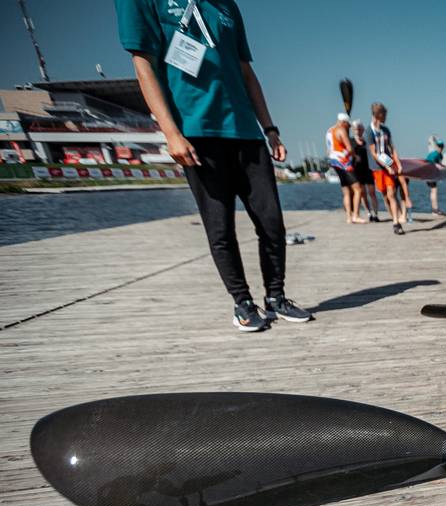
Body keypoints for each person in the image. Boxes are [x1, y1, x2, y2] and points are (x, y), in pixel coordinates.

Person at [115, 0, 313, 332]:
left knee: (272, 223)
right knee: (220, 229)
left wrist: (270, 128)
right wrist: (171, 133)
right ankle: (242, 303)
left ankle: (276, 298)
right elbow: (143, 63)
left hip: (246, 133)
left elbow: (245, 71)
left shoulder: (225, 5)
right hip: (197, 132)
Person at [368, 102, 405, 234]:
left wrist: (397, 164)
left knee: (392, 193)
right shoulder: (369, 131)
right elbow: (374, 153)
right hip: (377, 167)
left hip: (388, 164)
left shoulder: (386, 130)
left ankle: (396, 223)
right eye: (385, 114)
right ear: (378, 115)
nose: (386, 117)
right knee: (385, 195)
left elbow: (392, 148)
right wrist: (385, 166)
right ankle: (393, 217)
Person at [326, 112, 364, 223]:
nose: (348, 127)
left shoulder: (329, 131)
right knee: (358, 189)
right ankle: (355, 215)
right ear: (343, 122)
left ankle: (348, 217)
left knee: (346, 191)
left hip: (334, 162)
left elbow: (328, 149)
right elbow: (349, 148)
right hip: (344, 162)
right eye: (347, 125)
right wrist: (356, 157)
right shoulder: (341, 130)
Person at [350, 120, 378, 221]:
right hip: (357, 171)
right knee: (362, 193)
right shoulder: (350, 141)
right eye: (356, 129)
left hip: (368, 169)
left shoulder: (367, 141)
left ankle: (375, 214)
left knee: (372, 192)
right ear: (353, 130)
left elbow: (373, 153)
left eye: (360, 129)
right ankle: (368, 212)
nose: (358, 131)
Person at [425, 136, 446, 215]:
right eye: (439, 146)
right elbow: (431, 163)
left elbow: (439, 164)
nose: (440, 148)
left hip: (433, 175)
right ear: (437, 146)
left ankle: (435, 209)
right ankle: (435, 210)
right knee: (434, 190)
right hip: (429, 174)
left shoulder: (440, 155)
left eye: (441, 146)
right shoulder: (435, 154)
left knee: (433, 191)